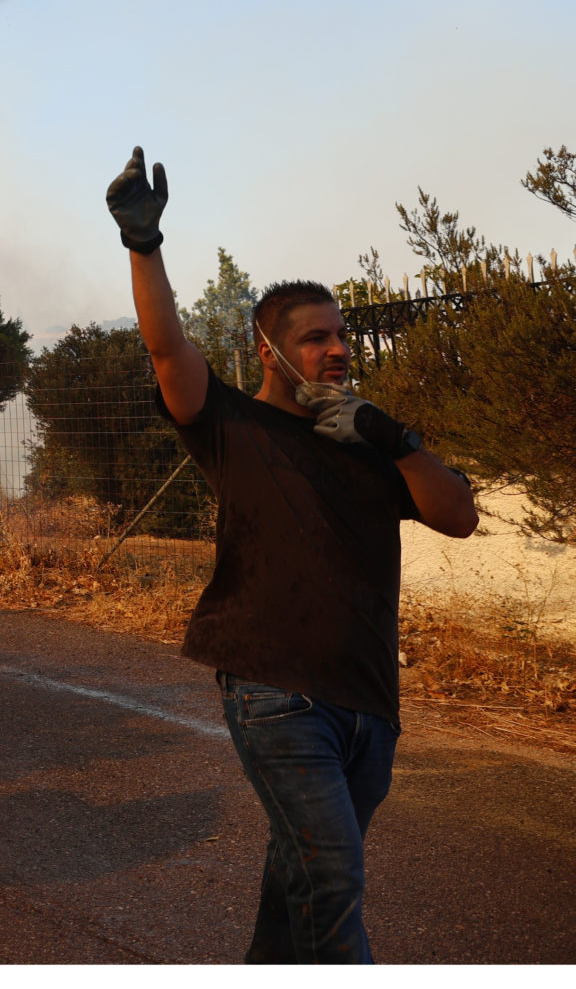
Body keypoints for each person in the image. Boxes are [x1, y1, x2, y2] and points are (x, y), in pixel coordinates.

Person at [106, 147, 477, 963]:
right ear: (270, 353)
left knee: (300, 883)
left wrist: (396, 439)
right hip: (279, 695)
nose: (338, 350)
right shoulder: (235, 427)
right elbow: (171, 352)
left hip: (371, 710)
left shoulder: (372, 446)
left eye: (342, 336)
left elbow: (459, 517)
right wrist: (144, 246)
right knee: (335, 879)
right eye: (315, 340)